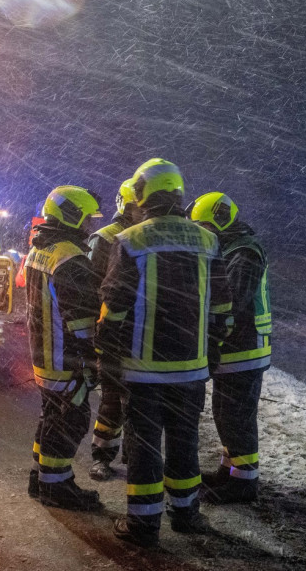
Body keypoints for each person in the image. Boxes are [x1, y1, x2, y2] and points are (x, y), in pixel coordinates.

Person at [97, 159, 232, 547]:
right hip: (191, 371)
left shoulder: (131, 240)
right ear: (177, 193)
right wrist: (212, 352)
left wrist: (107, 356)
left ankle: (143, 525)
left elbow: (113, 309)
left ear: (142, 194)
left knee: (144, 447)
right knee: (185, 442)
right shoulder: (208, 241)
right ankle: (186, 514)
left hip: (143, 372)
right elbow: (223, 308)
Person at [189, 192, 272, 504]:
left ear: (220, 220)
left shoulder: (245, 252)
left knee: (237, 418)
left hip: (245, 348)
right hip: (235, 348)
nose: (203, 233)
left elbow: (233, 299)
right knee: (225, 413)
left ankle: (244, 484)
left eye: (205, 226)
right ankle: (230, 470)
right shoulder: (231, 248)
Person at [25, 185, 103, 511]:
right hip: (64, 358)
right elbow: (82, 322)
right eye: (86, 219)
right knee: (71, 419)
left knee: (51, 416)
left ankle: (40, 477)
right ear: (72, 216)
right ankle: (56, 488)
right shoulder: (71, 258)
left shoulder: (40, 249)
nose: (89, 226)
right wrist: (93, 358)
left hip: (44, 355)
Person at [87, 178, 141, 481]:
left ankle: (130, 457)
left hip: (133, 331)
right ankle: (106, 456)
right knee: (115, 398)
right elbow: (89, 289)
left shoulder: (140, 237)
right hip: (118, 330)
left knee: (133, 399)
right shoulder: (106, 238)